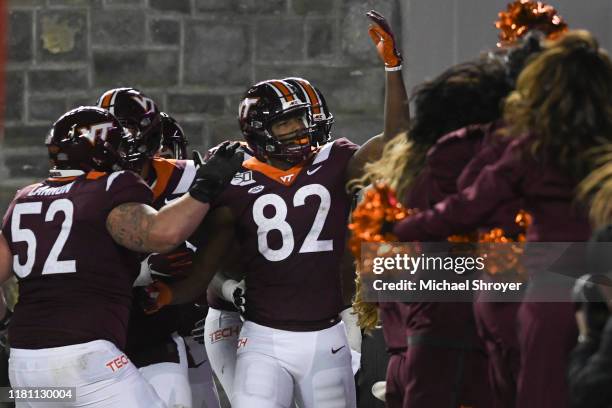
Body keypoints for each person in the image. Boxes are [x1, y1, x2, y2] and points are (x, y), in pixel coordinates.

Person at [392, 30, 612, 408]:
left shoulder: (525, 146)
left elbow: (467, 200)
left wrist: (398, 227)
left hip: (541, 293)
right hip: (598, 287)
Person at [0, 106, 242, 407]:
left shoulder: (24, 198)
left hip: (25, 367)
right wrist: (205, 188)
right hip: (86, 360)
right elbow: (163, 233)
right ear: (104, 151)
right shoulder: (109, 188)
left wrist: (5, 321)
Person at [96, 87, 224, 408]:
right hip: (110, 321)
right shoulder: (88, 188)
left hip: (180, 317)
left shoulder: (191, 177)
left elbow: (235, 238)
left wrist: (210, 286)